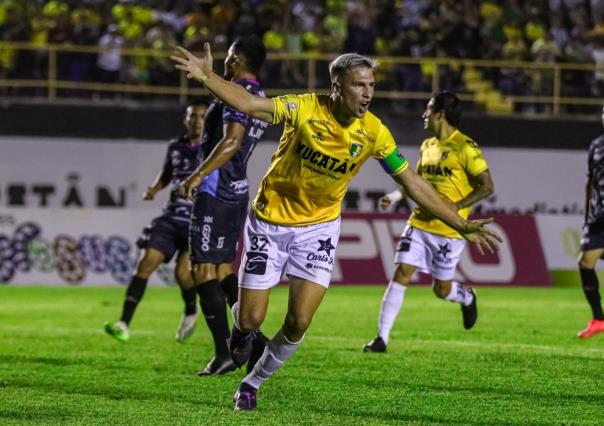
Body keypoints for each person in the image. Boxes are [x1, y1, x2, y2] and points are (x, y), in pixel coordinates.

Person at [171, 44, 502, 411]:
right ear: (337, 87)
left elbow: (412, 183)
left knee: (298, 322)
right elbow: (250, 105)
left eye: (371, 85)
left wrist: (460, 223)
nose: (367, 93)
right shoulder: (304, 108)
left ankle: (253, 382)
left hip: (318, 229)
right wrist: (208, 77)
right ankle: (241, 335)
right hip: (270, 223)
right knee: (250, 318)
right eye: (359, 85)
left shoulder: (375, 132)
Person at [363, 91, 495, 353]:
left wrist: (454, 208)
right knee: (401, 273)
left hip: (450, 230)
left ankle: (466, 297)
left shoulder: (466, 147)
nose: (424, 115)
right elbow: (416, 184)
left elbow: (487, 186)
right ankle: (381, 338)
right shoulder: (428, 146)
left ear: (440, 114)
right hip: (420, 224)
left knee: (442, 290)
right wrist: (394, 195)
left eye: (428, 109)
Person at [178, 36, 270, 376]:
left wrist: (196, 176)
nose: (225, 61)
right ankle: (257, 344)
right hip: (237, 189)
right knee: (220, 271)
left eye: (229, 56)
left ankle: (225, 353)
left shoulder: (238, 95)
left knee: (200, 270)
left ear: (238, 61)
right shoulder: (257, 96)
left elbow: (231, 141)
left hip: (216, 189)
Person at [104, 100, 207, 343]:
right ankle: (123, 323)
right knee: (145, 262)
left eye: (202, 117)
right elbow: (168, 173)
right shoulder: (175, 146)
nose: (197, 121)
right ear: (186, 119)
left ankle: (191, 310)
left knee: (183, 273)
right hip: (171, 216)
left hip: (198, 219)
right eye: (193, 116)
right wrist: (155, 188)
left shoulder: (213, 147)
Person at [576, 106, 604, 339]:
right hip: (599, 215)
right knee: (585, 261)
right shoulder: (596, 145)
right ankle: (598, 319)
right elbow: (590, 183)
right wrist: (586, 218)